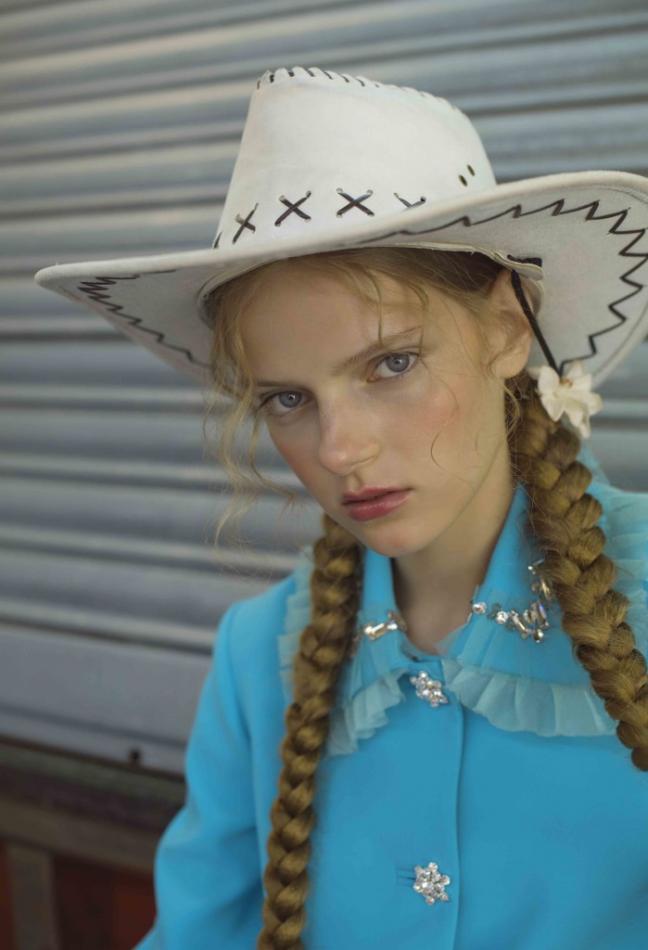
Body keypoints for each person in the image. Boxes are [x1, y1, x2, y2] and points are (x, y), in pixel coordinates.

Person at [34, 66, 648, 949]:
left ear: (509, 330)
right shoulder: (258, 657)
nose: (338, 450)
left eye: (390, 364)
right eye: (288, 399)